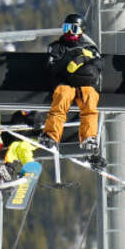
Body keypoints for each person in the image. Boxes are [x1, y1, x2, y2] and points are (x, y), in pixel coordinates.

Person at [39, 13, 102, 153]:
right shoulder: (57, 47)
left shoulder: (89, 48)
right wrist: (69, 62)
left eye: (73, 29)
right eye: (66, 28)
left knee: (90, 98)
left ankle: (89, 137)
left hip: (83, 83)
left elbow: (98, 65)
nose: (69, 32)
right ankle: (51, 135)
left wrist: (83, 60)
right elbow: (51, 66)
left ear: (81, 31)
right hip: (64, 82)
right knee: (62, 97)